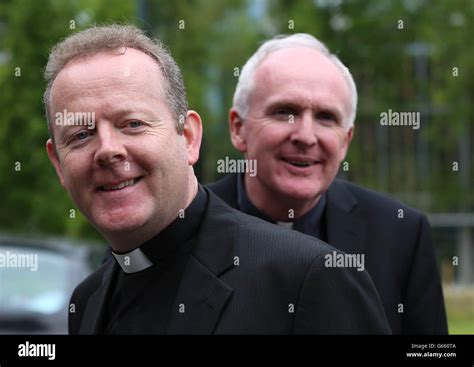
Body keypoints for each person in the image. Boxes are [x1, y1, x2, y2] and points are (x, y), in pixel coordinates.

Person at [43, 25, 390, 334]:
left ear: (189, 137)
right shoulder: (87, 301)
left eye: (132, 124)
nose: (108, 150)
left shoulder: (309, 279)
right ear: (59, 164)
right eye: (81, 135)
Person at [208, 33, 448, 334]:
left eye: (325, 117)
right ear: (238, 128)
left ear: (346, 141)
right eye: (285, 112)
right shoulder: (188, 226)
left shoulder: (401, 235)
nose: (306, 136)